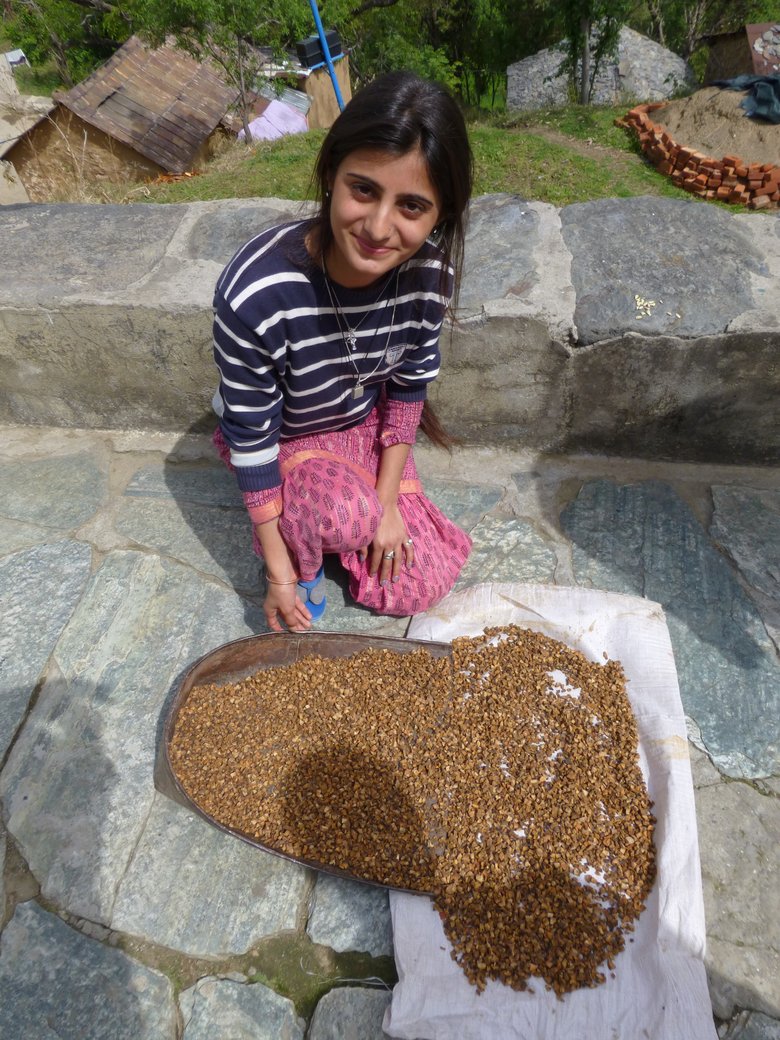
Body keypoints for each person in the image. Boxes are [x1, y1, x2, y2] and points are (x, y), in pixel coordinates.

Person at [212, 70, 474, 632]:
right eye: (363, 190)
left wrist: (386, 507)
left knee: (416, 583)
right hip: (285, 435)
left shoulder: (430, 276)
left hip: (361, 420)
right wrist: (281, 574)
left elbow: (408, 388)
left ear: (440, 215)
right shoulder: (257, 293)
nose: (379, 228)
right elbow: (251, 436)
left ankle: (346, 509)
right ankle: (305, 556)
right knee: (342, 517)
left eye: (412, 206)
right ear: (330, 173)